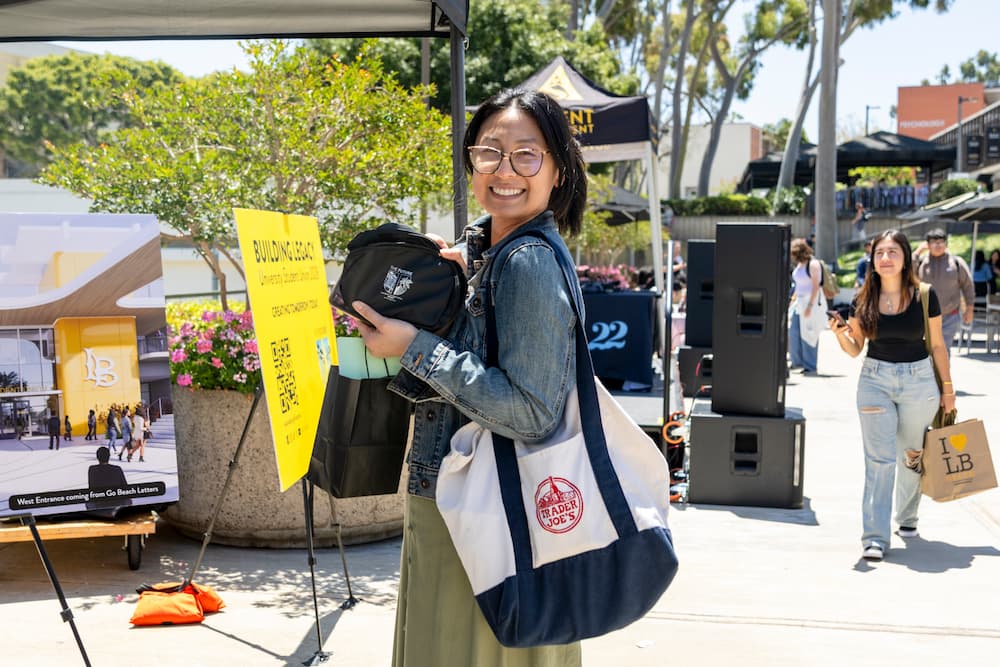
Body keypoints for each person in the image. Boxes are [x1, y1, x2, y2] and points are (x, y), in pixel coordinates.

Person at [352, 88, 587, 667]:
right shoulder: (499, 252)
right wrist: (465, 260)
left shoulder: (528, 262)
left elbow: (532, 411)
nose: (505, 170)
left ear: (557, 170)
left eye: (526, 155)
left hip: (485, 513)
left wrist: (417, 347)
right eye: (489, 152)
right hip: (486, 508)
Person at [828, 229, 954, 562]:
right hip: (875, 381)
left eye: (892, 252)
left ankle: (907, 518)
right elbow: (854, 350)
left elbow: (938, 346)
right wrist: (841, 335)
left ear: (905, 257)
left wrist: (948, 390)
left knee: (911, 456)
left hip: (920, 382)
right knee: (879, 462)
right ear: (873, 260)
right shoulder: (863, 297)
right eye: (880, 252)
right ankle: (874, 537)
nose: (885, 258)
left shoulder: (925, 295)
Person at [912, 228, 974, 353]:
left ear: (946, 244)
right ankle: (929, 373)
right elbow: (906, 274)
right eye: (934, 242)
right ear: (927, 245)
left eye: (941, 242)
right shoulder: (921, 262)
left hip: (950, 315)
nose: (938, 245)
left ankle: (943, 373)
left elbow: (968, 286)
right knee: (924, 350)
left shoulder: (956, 263)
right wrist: (917, 252)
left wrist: (969, 309)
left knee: (944, 349)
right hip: (924, 315)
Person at [788, 238, 826, 375]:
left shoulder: (813, 264)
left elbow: (815, 286)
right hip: (799, 302)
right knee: (793, 332)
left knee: (809, 334)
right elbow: (799, 285)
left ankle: (810, 365)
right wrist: (793, 301)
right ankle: (797, 361)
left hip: (811, 302)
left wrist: (810, 306)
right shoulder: (799, 265)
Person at [86, 446, 131, 512]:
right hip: (117, 503)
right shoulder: (117, 469)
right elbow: (125, 488)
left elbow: (91, 488)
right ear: (109, 456)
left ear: (97, 457)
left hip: (99, 504)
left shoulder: (92, 469)